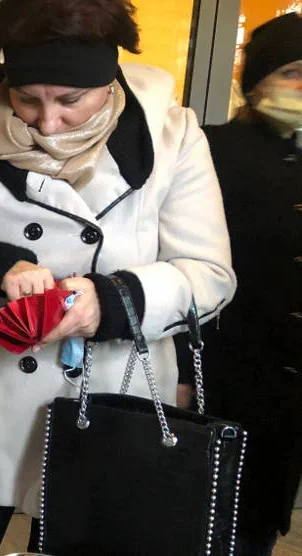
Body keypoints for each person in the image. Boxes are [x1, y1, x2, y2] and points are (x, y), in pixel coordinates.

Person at [0, 0, 236, 553]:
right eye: (27, 99)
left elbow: (209, 276)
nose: (47, 122)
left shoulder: (173, 136)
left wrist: (111, 302)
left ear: (108, 80)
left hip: (114, 402)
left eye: (71, 101)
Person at [175, 13, 302, 556]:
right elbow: (181, 264)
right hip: (224, 364)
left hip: (289, 380)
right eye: (293, 72)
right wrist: (178, 368)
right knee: (200, 511)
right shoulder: (211, 150)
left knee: (259, 522)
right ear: (256, 83)